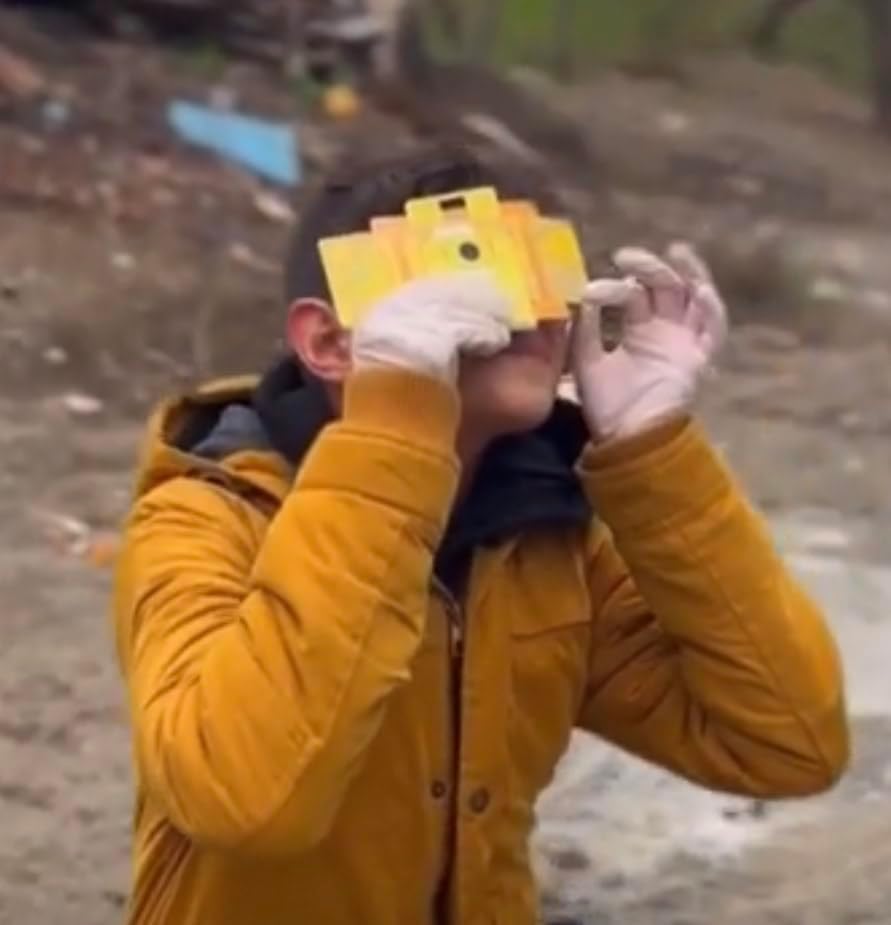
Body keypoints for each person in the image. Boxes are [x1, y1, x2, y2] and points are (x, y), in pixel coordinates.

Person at [112, 145, 849, 925]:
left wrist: (650, 449)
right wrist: (395, 414)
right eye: (470, 269)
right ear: (328, 343)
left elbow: (789, 742)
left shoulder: (543, 540)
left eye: (543, 269)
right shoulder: (201, 517)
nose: (530, 310)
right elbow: (245, 801)